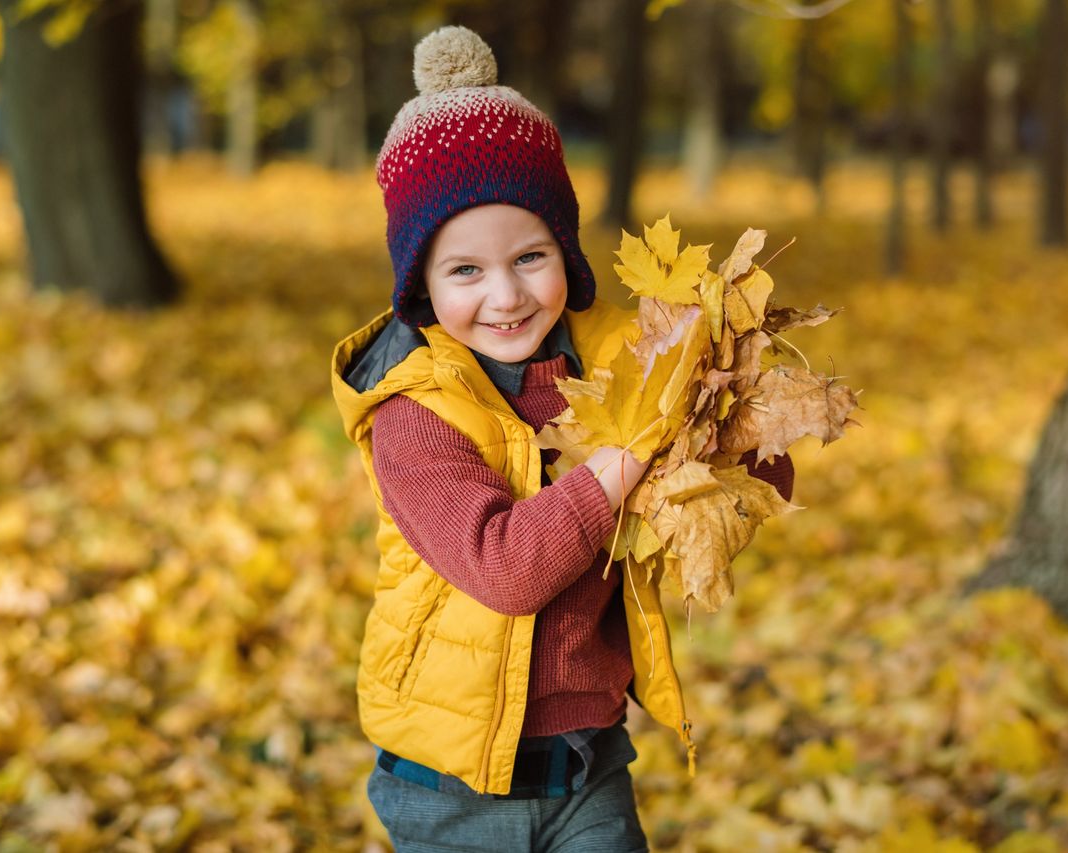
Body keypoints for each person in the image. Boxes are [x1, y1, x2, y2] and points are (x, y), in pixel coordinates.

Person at [329, 26, 794, 852]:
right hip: (449, 789)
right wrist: (621, 465)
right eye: (465, 270)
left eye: (530, 256)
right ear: (422, 286)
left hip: (591, 769)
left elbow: (729, 490)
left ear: (565, 252)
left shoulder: (621, 364)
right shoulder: (413, 413)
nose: (506, 295)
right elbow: (505, 568)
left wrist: (736, 424)